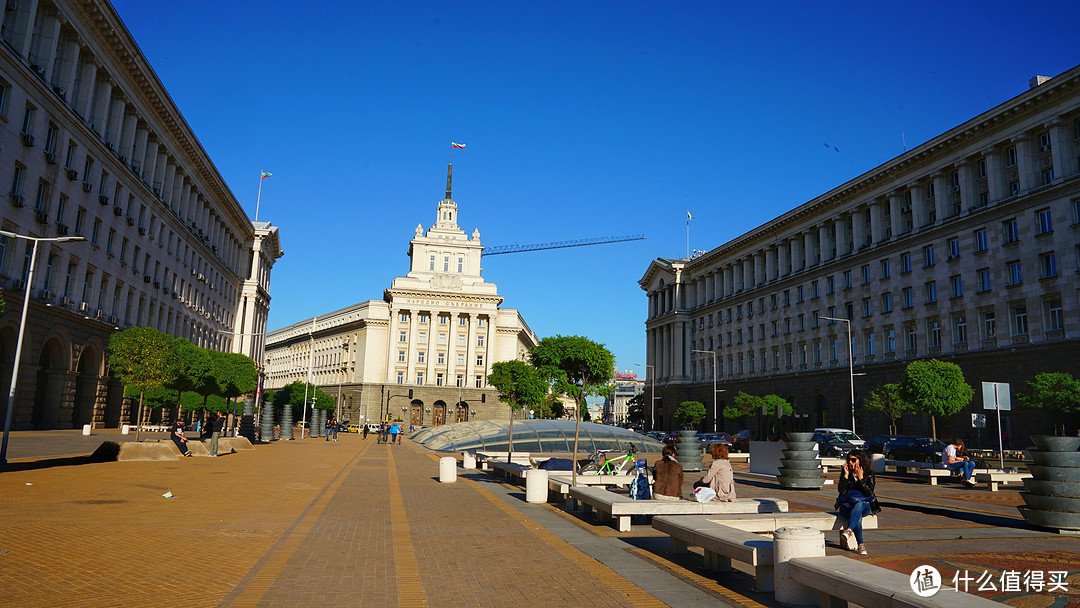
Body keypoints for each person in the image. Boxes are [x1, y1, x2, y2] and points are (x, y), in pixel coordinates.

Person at [835, 450, 879, 555]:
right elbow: (841, 492)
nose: (850, 462)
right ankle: (860, 544)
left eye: (853, 460)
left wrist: (861, 479)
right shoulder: (846, 472)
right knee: (856, 516)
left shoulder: (869, 474)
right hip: (847, 506)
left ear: (860, 460)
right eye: (849, 460)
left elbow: (869, 493)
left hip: (864, 506)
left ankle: (850, 532)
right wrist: (845, 477)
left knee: (859, 506)